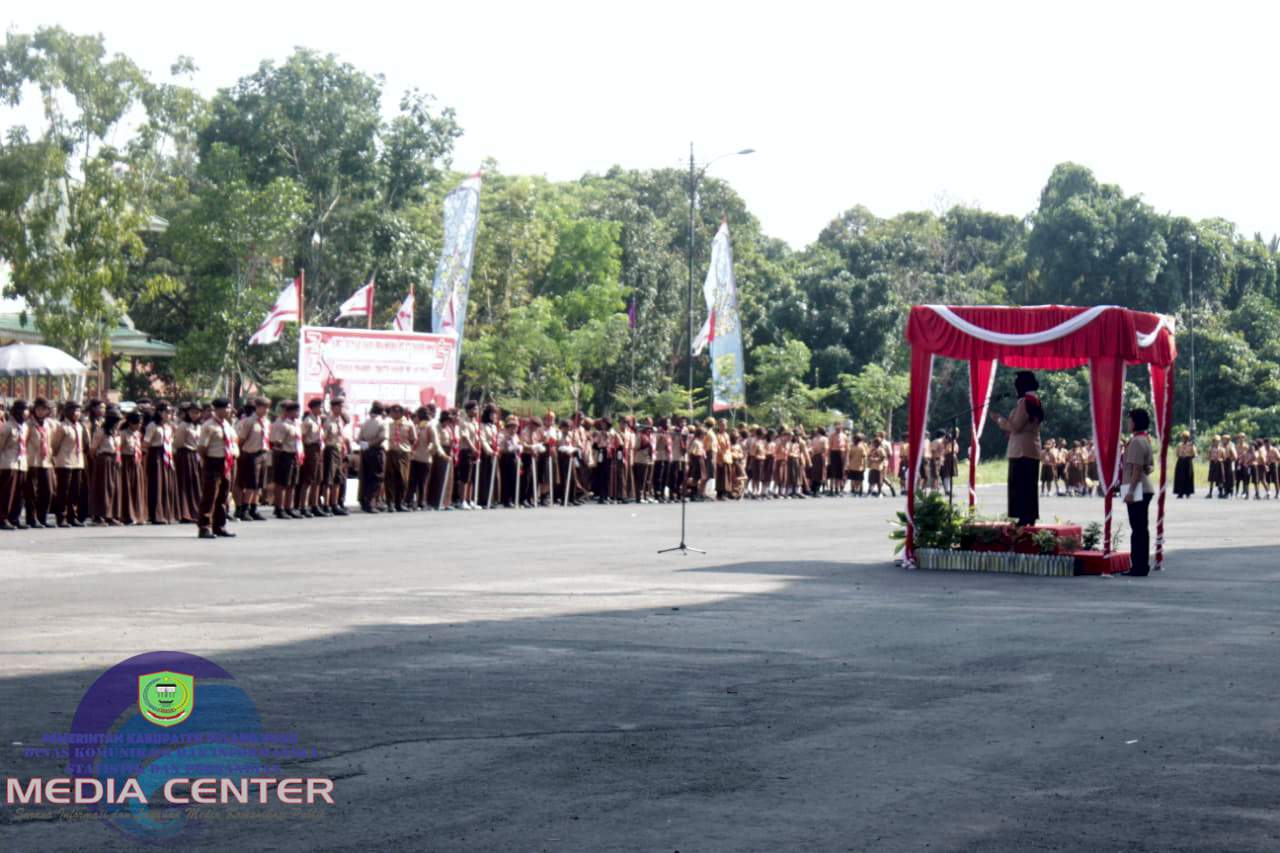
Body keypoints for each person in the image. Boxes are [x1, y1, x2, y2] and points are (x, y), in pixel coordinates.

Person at [995, 370, 1044, 526]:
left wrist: (999, 420)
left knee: (1020, 486)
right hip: (1031, 449)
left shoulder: (1025, 403)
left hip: (1021, 451)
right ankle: (1029, 517)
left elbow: (1015, 427)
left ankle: (1024, 518)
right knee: (1028, 486)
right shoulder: (1034, 401)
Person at [196, 398, 238, 539]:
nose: (229, 410)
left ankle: (219, 526)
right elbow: (202, 447)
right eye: (226, 408)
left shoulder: (228, 425)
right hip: (213, 461)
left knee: (223, 495)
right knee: (210, 495)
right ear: (218, 409)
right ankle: (204, 527)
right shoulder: (209, 426)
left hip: (227, 462)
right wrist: (207, 461)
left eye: (229, 407)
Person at [1121, 409, 1155, 577]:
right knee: (1141, 529)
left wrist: (1130, 492)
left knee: (1138, 530)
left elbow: (1136, 469)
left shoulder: (1136, 441)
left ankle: (1138, 566)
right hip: (1144, 486)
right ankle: (1142, 565)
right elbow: (1149, 467)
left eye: (1129, 420)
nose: (1128, 423)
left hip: (1137, 489)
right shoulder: (1145, 439)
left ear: (1135, 422)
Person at [51, 401, 89, 527]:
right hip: (64, 462)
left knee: (75, 490)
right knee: (63, 491)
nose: (75, 413)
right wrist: (56, 459)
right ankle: (61, 516)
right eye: (73, 410)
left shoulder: (80, 426)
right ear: (66, 412)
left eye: (78, 410)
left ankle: (72, 516)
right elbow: (55, 445)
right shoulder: (62, 427)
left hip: (77, 462)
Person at [235, 398, 270, 521]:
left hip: (263, 454)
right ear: (257, 407)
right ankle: (244, 509)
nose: (266, 410)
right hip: (251, 454)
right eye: (263, 407)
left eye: (267, 407)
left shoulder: (266, 421)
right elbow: (242, 439)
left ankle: (253, 509)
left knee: (259, 484)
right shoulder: (249, 422)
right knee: (251, 484)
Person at [143, 402, 178, 525]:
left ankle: (167, 513)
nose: (169, 414)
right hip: (155, 455)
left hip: (167, 455)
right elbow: (146, 443)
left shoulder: (169, 427)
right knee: (157, 484)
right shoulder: (152, 426)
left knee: (167, 484)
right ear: (160, 412)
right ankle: (155, 514)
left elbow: (171, 441)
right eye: (167, 412)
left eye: (170, 412)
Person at [23, 398, 55, 528]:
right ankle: (32, 518)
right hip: (32, 461)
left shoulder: (49, 424)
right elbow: (23, 442)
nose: (41, 412)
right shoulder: (28, 424)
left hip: (46, 461)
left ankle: (43, 517)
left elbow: (52, 441)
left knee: (47, 490)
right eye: (38, 409)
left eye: (44, 409)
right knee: (32, 492)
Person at [269, 401, 304, 518]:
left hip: (295, 455)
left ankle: (289, 507)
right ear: (289, 412)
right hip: (284, 454)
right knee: (282, 483)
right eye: (296, 411)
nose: (298, 413)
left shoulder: (297, 424)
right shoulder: (282, 424)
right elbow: (276, 442)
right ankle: (280, 508)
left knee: (292, 483)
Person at [89, 411, 121, 526]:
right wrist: (98, 461)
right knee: (103, 489)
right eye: (117, 421)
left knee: (113, 488)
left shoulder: (115, 433)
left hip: (114, 461)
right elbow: (93, 449)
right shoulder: (101, 431)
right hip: (103, 460)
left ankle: (110, 515)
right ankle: (98, 516)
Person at [0, 399, 28, 530]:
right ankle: (2, 518)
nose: (25, 414)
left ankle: (14, 517)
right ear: (16, 412)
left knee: (19, 493)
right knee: (7, 493)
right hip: (8, 463)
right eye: (23, 411)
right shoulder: (7, 427)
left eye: (27, 411)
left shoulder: (24, 427)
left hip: (21, 463)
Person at [357, 402, 389, 513]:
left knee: (366, 477)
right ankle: (371, 503)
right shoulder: (382, 423)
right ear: (382, 411)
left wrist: (365, 445)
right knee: (376, 477)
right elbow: (383, 438)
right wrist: (371, 444)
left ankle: (365, 502)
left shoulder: (365, 423)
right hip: (376, 451)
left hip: (366, 451)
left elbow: (359, 439)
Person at [322, 397, 351, 516]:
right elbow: (323, 438)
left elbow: (342, 434)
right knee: (329, 479)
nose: (341, 409)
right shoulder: (328, 421)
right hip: (330, 449)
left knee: (338, 479)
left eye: (342, 407)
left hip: (339, 450)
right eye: (339, 406)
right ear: (333, 407)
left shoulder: (339, 420)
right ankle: (326, 505)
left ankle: (335, 504)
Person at [118, 411, 147, 526]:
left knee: (137, 488)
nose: (139, 425)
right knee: (127, 488)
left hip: (136, 462)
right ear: (130, 423)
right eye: (137, 423)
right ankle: (127, 516)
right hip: (126, 462)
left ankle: (139, 515)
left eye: (140, 423)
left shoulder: (138, 434)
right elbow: (119, 449)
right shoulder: (123, 434)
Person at [299, 398, 325, 516]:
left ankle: (314, 505)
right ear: (314, 408)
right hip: (310, 449)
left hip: (318, 450)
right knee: (308, 479)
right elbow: (302, 437)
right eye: (320, 407)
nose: (322, 409)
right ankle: (303, 506)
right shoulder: (308, 421)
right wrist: (304, 452)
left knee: (317, 479)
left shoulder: (318, 419)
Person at [1173, 431, 1196, 499]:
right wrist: (1181, 456)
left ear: (1188, 438)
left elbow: (1194, 454)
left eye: (1186, 437)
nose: (1184, 439)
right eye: (1183, 437)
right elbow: (1177, 453)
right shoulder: (1179, 445)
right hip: (1180, 461)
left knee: (1188, 476)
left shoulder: (1191, 445)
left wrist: (1188, 456)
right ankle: (1180, 492)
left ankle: (1188, 492)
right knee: (1180, 477)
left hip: (1188, 462)